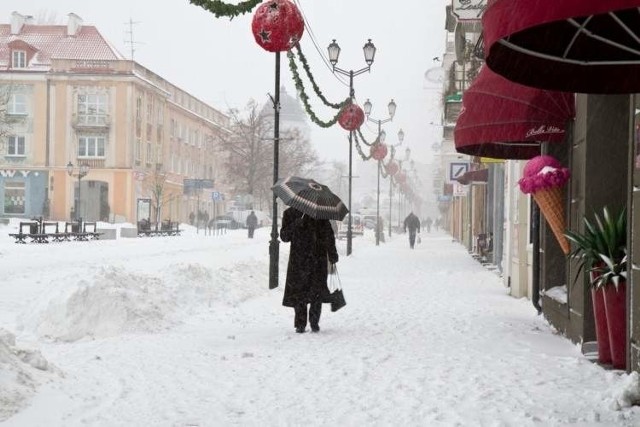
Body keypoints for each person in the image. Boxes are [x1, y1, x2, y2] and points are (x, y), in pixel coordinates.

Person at [280, 207, 339, 333]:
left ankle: (314, 322)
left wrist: (332, 253)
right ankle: (300, 324)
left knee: (316, 293)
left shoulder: (320, 215)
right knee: (300, 293)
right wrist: (295, 224)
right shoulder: (290, 213)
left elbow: (328, 235)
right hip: (299, 261)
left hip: (317, 260)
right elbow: (284, 237)